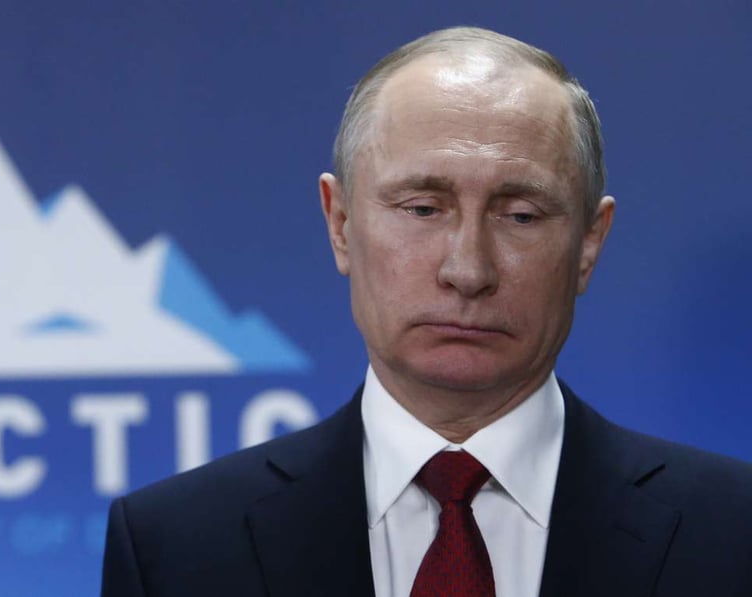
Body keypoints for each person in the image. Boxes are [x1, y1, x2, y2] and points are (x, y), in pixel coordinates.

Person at [100, 26, 752, 597]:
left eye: (520, 215)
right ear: (341, 222)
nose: (467, 269)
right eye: (422, 209)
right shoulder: (175, 547)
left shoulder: (733, 532)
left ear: (589, 243)